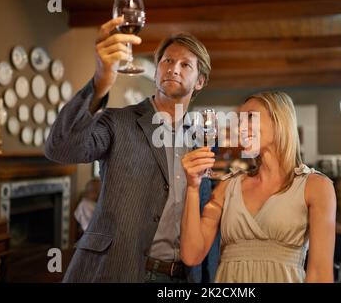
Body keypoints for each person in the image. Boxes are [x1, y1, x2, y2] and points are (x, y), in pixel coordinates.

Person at [45, 15, 219, 283]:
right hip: (114, 270)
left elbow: (202, 212)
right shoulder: (118, 121)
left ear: (200, 82)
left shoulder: (201, 141)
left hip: (180, 277)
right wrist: (100, 82)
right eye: (168, 60)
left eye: (186, 64)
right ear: (157, 69)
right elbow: (61, 148)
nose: (173, 68)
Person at [180, 91, 336, 282]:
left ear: (280, 121)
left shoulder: (317, 187)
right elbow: (191, 255)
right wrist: (193, 187)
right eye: (239, 121)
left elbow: (320, 275)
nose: (241, 128)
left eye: (250, 118)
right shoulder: (228, 187)